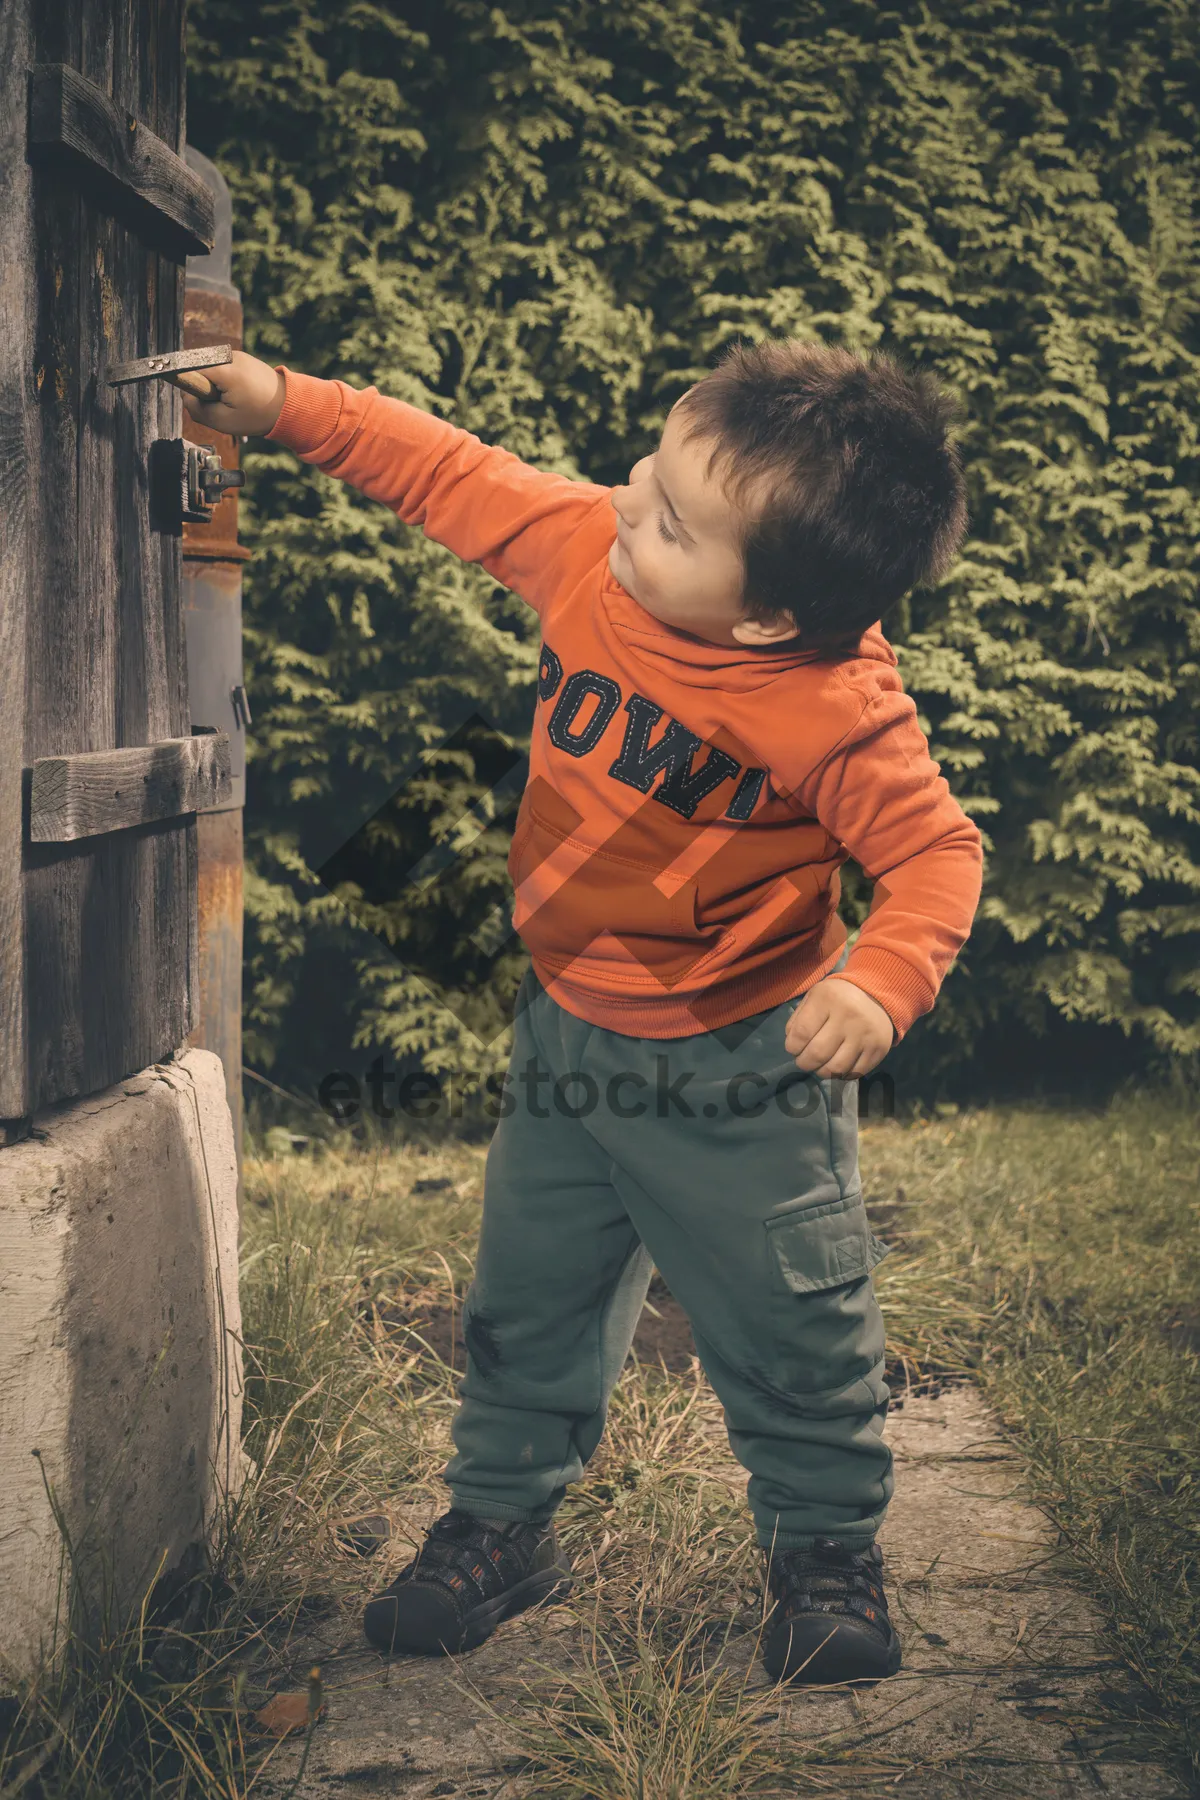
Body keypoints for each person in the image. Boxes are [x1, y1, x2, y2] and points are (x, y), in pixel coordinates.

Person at [178, 337, 982, 1685]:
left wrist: (877, 979)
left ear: (772, 614)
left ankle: (824, 1551)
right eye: (644, 474)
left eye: (670, 518)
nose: (622, 505)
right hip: (569, 1042)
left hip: (746, 1073)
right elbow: (445, 469)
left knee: (796, 1318)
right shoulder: (586, 555)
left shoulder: (836, 711)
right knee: (527, 1297)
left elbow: (938, 856)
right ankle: (500, 1524)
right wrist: (284, 407)